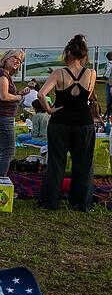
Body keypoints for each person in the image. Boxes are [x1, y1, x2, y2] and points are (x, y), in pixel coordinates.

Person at [38, 35, 96, 211]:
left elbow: (41, 94)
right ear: (84, 55)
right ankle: (81, 203)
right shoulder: (91, 73)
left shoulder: (59, 73)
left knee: (56, 163)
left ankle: (49, 202)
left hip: (60, 122)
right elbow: (87, 97)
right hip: (84, 122)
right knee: (84, 164)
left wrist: (48, 109)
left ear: (68, 53)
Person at [0, 49, 30, 177]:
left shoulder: (3, 74)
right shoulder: (1, 74)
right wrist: (19, 97)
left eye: (20, 60)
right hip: (2, 117)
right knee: (9, 150)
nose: (18, 61)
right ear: (6, 58)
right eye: (15, 58)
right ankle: (0, 181)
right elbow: (4, 96)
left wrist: (19, 93)